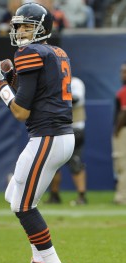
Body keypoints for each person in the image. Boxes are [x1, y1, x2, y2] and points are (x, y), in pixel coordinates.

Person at [0, 2, 74, 263]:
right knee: (15, 196)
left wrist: (2, 86)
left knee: (23, 206)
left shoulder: (30, 52)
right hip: (55, 135)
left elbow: (20, 111)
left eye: (27, 26)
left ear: (42, 28)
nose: (21, 31)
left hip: (48, 136)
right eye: (19, 26)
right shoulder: (56, 51)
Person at [46, 76, 87, 205]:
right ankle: (54, 195)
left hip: (74, 127)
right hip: (57, 128)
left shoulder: (75, 83)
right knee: (53, 162)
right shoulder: (53, 83)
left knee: (75, 161)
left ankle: (81, 196)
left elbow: (75, 99)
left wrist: (56, 98)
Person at [112, 62, 126, 205]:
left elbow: (124, 111)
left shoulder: (124, 91)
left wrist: (117, 130)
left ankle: (122, 197)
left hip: (123, 131)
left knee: (122, 164)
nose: (123, 75)